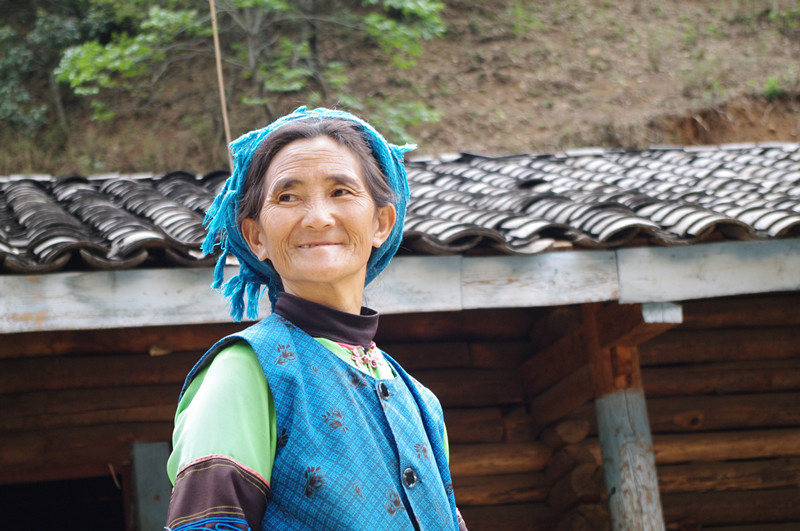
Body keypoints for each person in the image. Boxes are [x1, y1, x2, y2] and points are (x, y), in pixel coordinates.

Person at [165, 107, 468, 530]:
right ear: (256, 237)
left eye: (341, 191)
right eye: (288, 197)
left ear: (382, 222)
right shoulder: (246, 371)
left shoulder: (420, 401)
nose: (318, 217)